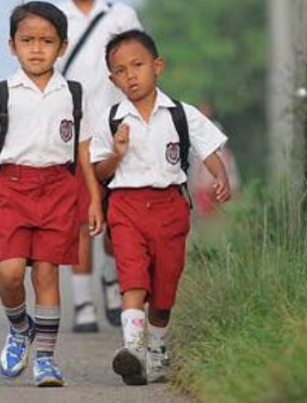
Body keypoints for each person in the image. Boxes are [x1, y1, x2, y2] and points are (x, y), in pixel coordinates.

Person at [0, 1, 103, 387]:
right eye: (27, 40)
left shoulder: (74, 95)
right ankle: (18, 327)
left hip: (59, 190)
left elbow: (84, 153)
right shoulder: (1, 94)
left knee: (47, 273)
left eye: (47, 41)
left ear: (62, 46)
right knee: (10, 272)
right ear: (12, 45)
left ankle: (45, 358)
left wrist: (93, 198)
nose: (37, 48)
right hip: (11, 190)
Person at [90, 30, 231, 385]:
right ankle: (133, 350)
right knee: (132, 277)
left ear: (157, 66)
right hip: (126, 207)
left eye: (137, 65)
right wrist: (117, 153)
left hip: (170, 207)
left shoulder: (182, 115)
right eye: (120, 70)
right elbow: (98, 172)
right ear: (112, 79)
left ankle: (158, 351)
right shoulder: (110, 120)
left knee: (165, 287)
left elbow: (208, 148)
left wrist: (221, 176)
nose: (130, 75)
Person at [56, 0, 142, 331]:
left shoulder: (120, 16)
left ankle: (111, 279)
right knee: (80, 218)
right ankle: (84, 304)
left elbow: (136, 66)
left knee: (116, 214)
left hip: (116, 127)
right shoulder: (54, 17)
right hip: (72, 131)